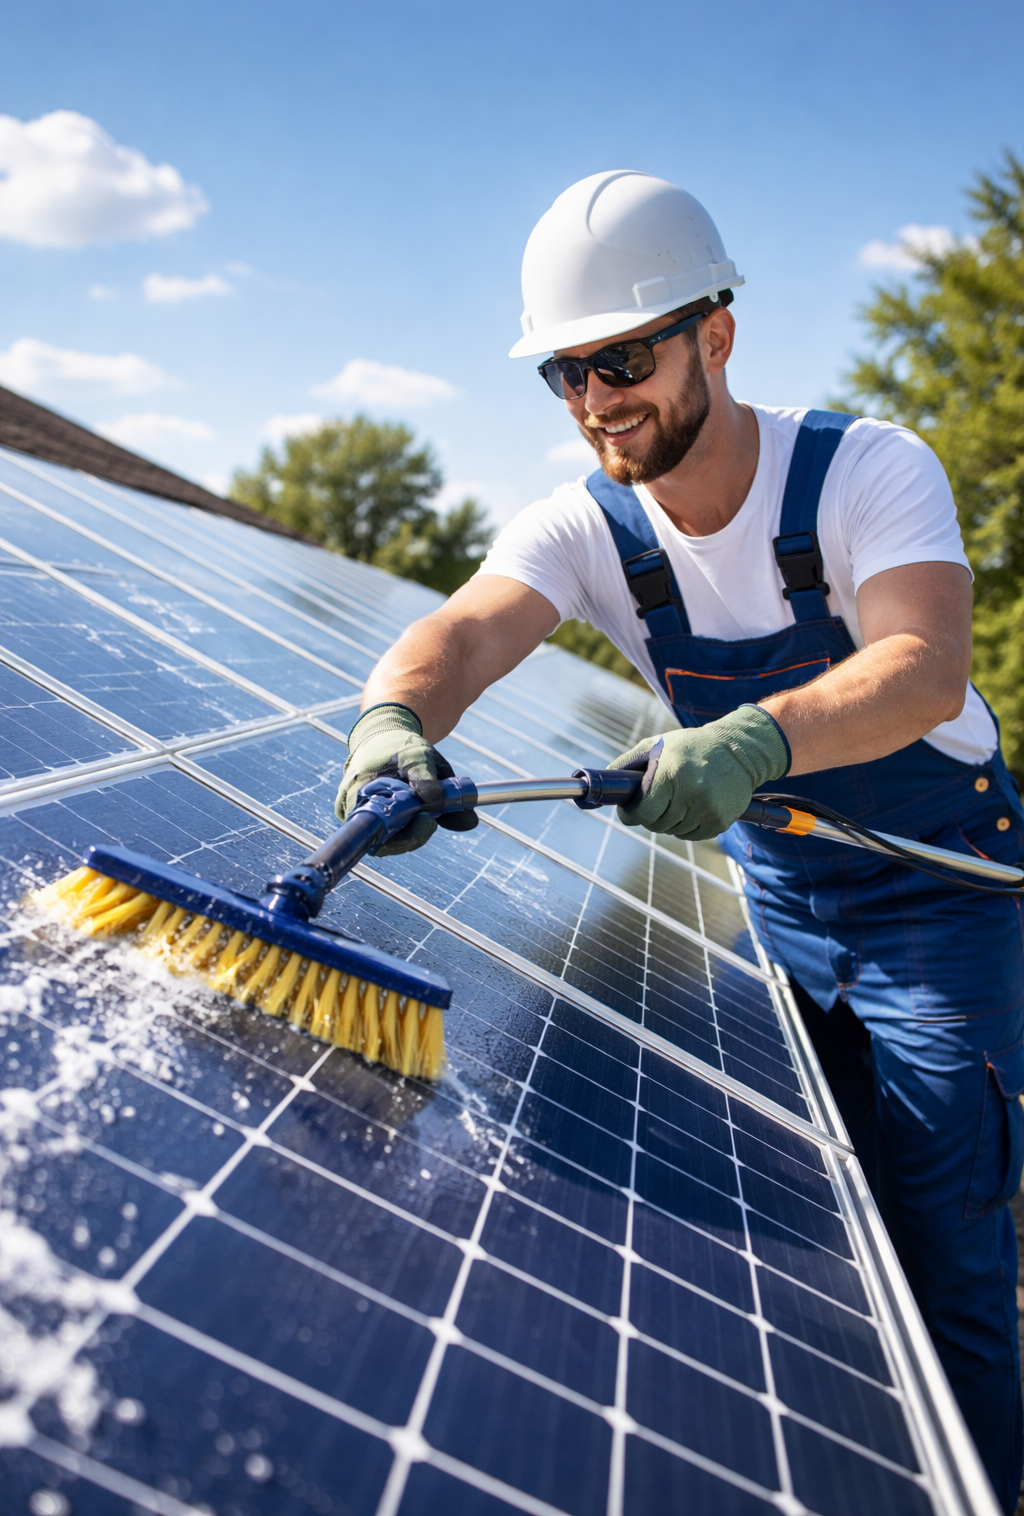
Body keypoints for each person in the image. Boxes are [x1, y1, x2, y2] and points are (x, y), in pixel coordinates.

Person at [336, 171, 1024, 1510]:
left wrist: (758, 738)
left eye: (621, 359)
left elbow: (924, 667)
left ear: (715, 334)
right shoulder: (585, 523)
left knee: (950, 1264)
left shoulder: (865, 471)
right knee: (819, 1239)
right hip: (781, 902)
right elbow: (465, 632)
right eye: (565, 374)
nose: (596, 400)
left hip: (939, 902)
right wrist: (389, 725)